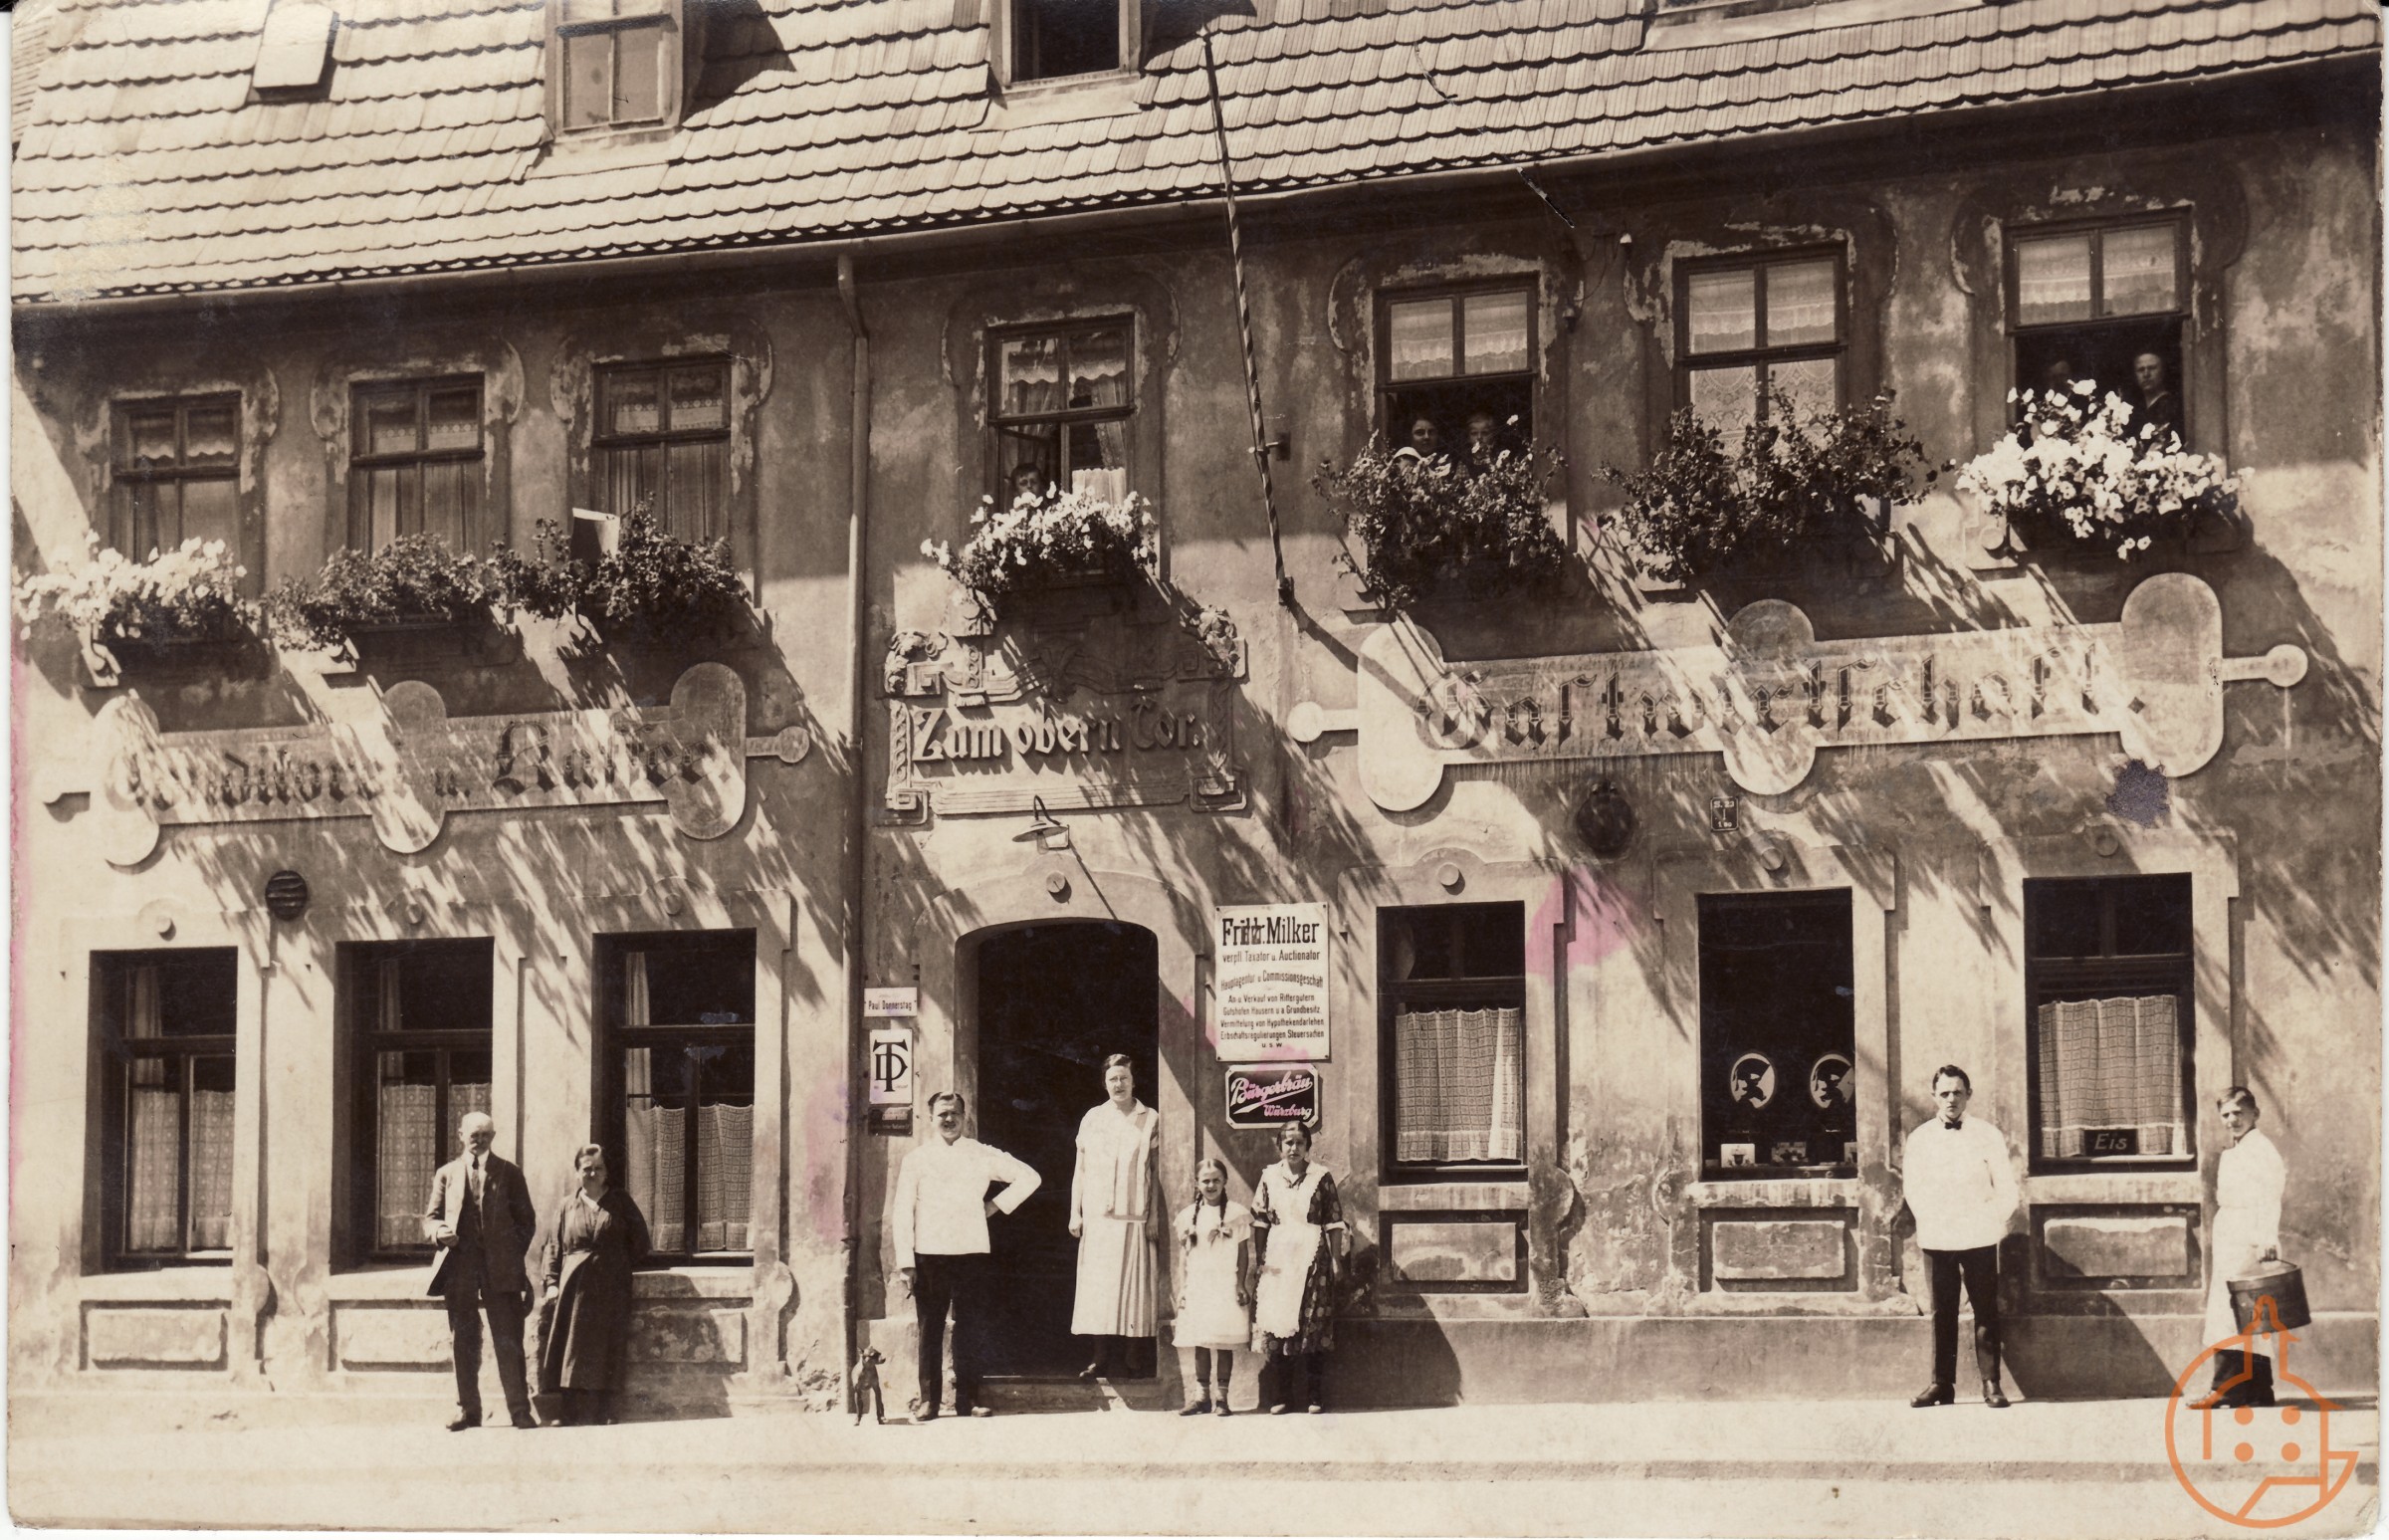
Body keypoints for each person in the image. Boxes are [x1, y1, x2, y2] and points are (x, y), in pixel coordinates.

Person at [892, 1090, 1041, 1421]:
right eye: (942, 1114)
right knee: (930, 1329)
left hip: (971, 1252)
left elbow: (1030, 1177)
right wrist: (906, 1263)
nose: (949, 1119)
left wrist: (995, 1205)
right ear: (931, 1119)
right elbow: (902, 1210)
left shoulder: (981, 1153)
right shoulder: (916, 1159)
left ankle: (968, 1400)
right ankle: (929, 1400)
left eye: (955, 1114)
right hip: (929, 1254)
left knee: (970, 1327)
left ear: (964, 1117)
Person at [1900, 1066, 2020, 1410]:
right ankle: (1942, 1384)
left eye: (1957, 1092)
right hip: (1938, 1236)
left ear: (1969, 1094)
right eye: (1944, 1093)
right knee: (1943, 1311)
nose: (1951, 1099)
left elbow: (2006, 1187)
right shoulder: (1920, 1138)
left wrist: (1991, 1222)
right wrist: (1935, 1221)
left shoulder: (1988, 1135)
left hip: (1979, 1235)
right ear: (1934, 1096)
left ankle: (1991, 1383)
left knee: (1985, 1309)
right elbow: (1914, 1189)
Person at [422, 1111, 540, 1430]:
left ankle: (519, 1410)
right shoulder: (446, 1174)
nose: (479, 1140)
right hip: (460, 1267)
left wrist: (509, 1254)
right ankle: (468, 1410)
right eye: (474, 1135)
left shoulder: (510, 1173)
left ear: (493, 1136)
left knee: (508, 1338)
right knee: (463, 1338)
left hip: (501, 1270)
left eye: (485, 1134)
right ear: (461, 1135)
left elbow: (526, 1222)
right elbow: (431, 1218)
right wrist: (439, 1232)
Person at [538, 1144, 650, 1427]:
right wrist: (552, 1283)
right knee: (571, 1345)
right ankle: (569, 1410)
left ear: (607, 1172)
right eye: (586, 1168)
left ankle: (605, 1409)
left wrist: (617, 1265)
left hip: (610, 1286)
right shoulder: (566, 1205)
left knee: (608, 1342)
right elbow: (553, 1247)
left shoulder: (620, 1202)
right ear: (577, 1172)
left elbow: (640, 1241)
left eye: (598, 1168)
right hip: (573, 1287)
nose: (592, 1173)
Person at [2192, 1086, 2286, 1410]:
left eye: (2238, 1113)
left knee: (2231, 1309)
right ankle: (2258, 1390)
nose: (2232, 1120)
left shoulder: (2260, 1150)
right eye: (2226, 1114)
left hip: (2249, 1235)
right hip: (2233, 1232)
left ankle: (2225, 1389)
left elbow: (2270, 1197)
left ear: (2254, 1114)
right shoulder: (2240, 1148)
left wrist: (2267, 1238)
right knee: (2249, 1311)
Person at [1069, 1053, 1161, 1380]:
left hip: (1135, 1217)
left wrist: (1153, 1216)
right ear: (1104, 1083)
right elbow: (1081, 1169)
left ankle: (1133, 1358)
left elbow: (1156, 1171)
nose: (1118, 1084)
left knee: (1134, 1290)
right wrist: (1075, 1212)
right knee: (1099, 1289)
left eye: (1124, 1078)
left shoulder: (1150, 1118)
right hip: (1098, 1218)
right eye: (1112, 1079)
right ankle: (1100, 1357)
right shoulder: (1093, 1118)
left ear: (1134, 1081)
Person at [1250, 1121, 1344, 1415]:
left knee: (1312, 1321)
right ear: (1279, 1145)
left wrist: (1336, 1259)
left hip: (1313, 1256)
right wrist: (1261, 1260)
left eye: (1299, 1142)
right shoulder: (1269, 1176)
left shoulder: (1321, 1177)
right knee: (1280, 1322)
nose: (1294, 1148)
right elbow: (1260, 1221)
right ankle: (1283, 1396)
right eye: (1288, 1142)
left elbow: (1334, 1221)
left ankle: (1315, 1396)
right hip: (1279, 1257)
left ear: (1308, 1147)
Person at [1173, 1157, 1253, 1417]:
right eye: (1205, 1181)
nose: (1211, 1185)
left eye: (1216, 1180)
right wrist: (1183, 1287)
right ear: (1197, 1183)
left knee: (1224, 1340)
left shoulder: (1236, 1214)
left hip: (1225, 1285)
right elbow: (1183, 1256)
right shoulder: (1187, 1216)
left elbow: (1243, 1253)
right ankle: (1201, 1397)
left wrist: (1240, 1284)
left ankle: (1222, 1399)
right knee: (1202, 1340)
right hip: (1199, 1285)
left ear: (1225, 1181)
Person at [2132, 351, 2183, 445]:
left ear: (2163, 372)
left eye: (2152, 368)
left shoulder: (2171, 406)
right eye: (2141, 370)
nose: (2146, 374)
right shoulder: (2136, 410)